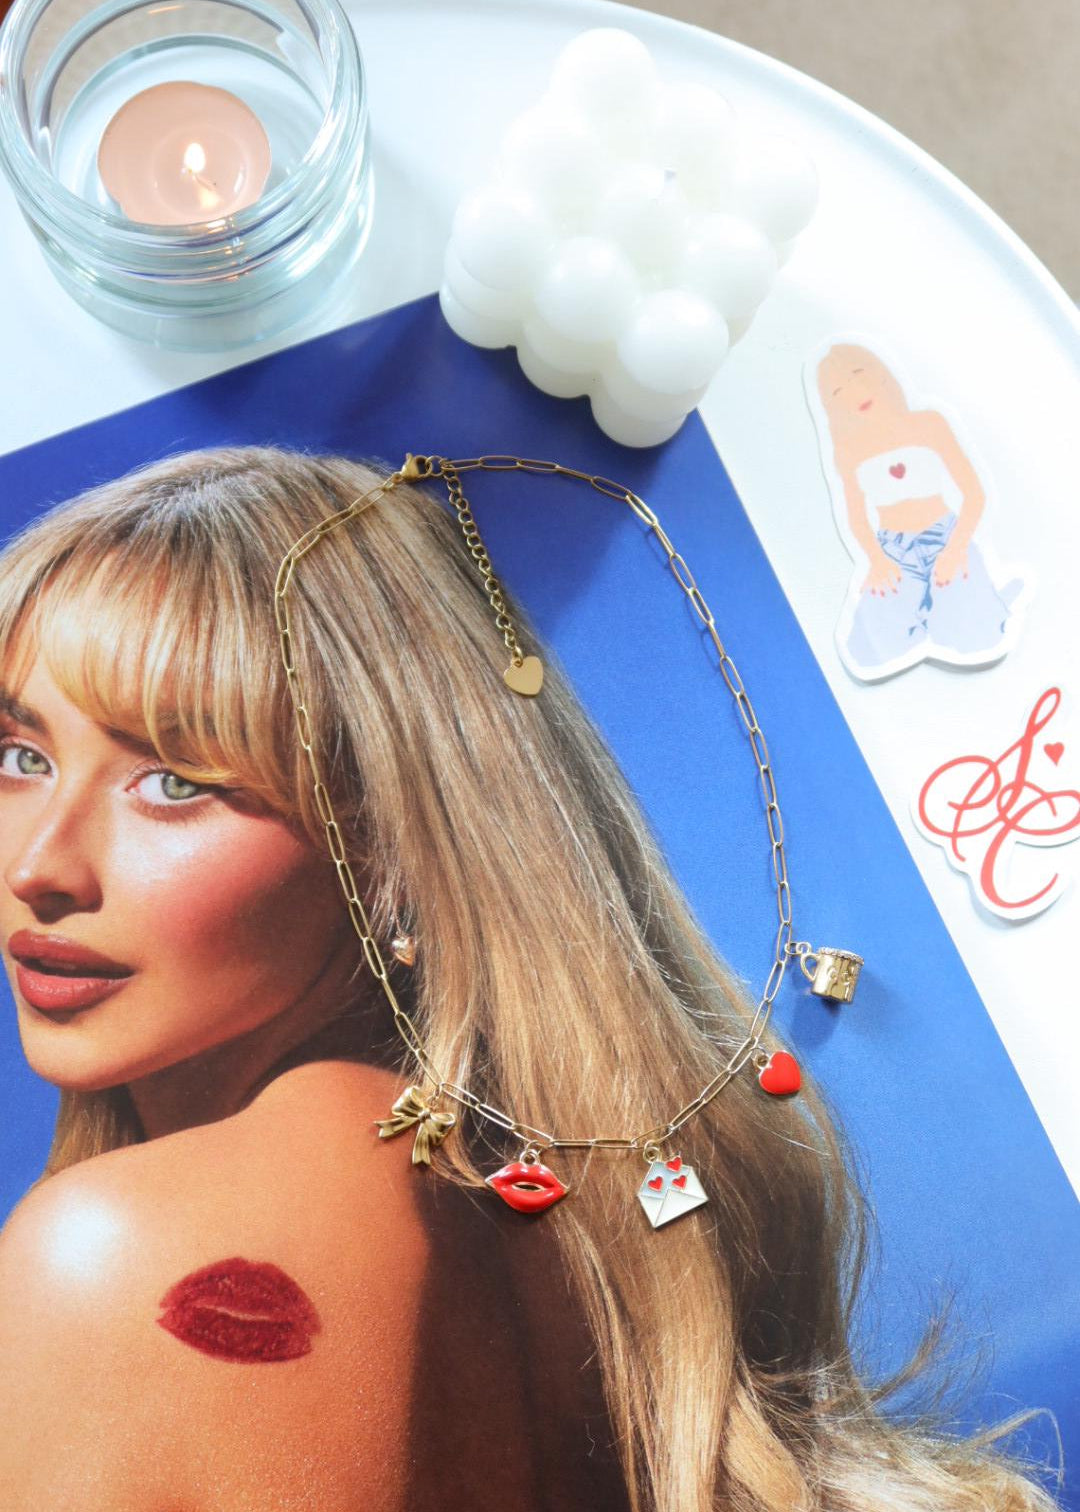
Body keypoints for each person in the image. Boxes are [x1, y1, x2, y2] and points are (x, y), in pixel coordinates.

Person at [0, 446, 1061, 1511]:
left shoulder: (110, 1255)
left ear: (384, 843)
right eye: (21, 757)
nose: (39, 866)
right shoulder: (597, 1237)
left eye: (175, 781)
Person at [816, 343, 1023, 679]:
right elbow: (856, 516)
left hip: (947, 536)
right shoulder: (847, 450)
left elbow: (974, 494)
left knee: (969, 635)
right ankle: (973, 600)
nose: (855, 394)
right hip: (892, 550)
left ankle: (984, 598)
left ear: (880, 374)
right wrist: (877, 560)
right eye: (839, 392)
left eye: (859, 375)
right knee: (870, 649)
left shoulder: (929, 423)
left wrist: (955, 549)